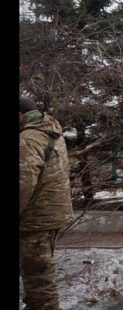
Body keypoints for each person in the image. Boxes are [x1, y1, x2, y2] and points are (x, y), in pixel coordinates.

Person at [19, 96, 73, 310]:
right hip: (50, 214)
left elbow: (22, 183)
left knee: (39, 281)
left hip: (35, 219)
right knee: (38, 273)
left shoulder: (28, 138)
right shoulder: (51, 133)